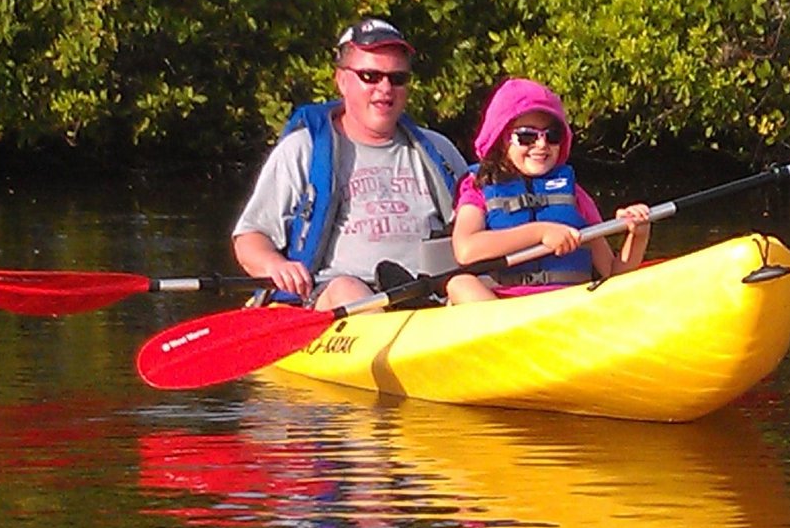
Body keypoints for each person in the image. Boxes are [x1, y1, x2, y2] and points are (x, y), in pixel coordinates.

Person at [232, 16, 468, 311]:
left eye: (397, 78)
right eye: (370, 76)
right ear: (342, 80)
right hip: (339, 299)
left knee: (469, 286)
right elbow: (250, 238)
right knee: (349, 289)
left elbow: (479, 224)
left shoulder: (439, 150)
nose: (385, 88)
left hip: (429, 297)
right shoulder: (301, 150)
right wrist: (275, 264)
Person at [446, 77, 651, 304]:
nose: (542, 145)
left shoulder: (575, 195)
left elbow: (612, 273)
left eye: (552, 136)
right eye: (526, 136)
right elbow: (465, 250)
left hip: (566, 304)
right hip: (502, 308)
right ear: (502, 139)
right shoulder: (479, 188)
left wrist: (638, 235)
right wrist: (540, 232)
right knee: (459, 284)